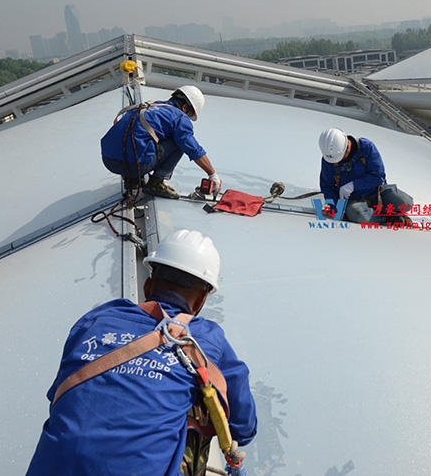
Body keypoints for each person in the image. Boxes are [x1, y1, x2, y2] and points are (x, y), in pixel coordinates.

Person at [26, 229, 257, 476]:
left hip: (50, 467)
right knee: (201, 393)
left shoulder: (95, 320)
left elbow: (58, 397)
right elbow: (243, 427)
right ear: (201, 301)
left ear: (148, 285)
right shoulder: (207, 338)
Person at [101, 85, 222, 199]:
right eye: (190, 114)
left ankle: (131, 180)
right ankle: (156, 183)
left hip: (108, 160)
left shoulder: (151, 105)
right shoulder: (179, 116)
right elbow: (192, 148)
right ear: (185, 107)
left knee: (145, 137)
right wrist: (212, 174)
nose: (188, 118)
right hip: (135, 165)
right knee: (179, 141)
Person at [318, 127, 413, 224]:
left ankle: (389, 212)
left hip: (376, 193)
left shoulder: (366, 147)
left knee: (406, 202)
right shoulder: (329, 159)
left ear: (347, 147)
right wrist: (335, 207)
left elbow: (379, 175)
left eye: (340, 158)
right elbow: (327, 187)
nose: (338, 161)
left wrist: (354, 185)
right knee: (357, 213)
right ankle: (389, 218)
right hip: (354, 201)